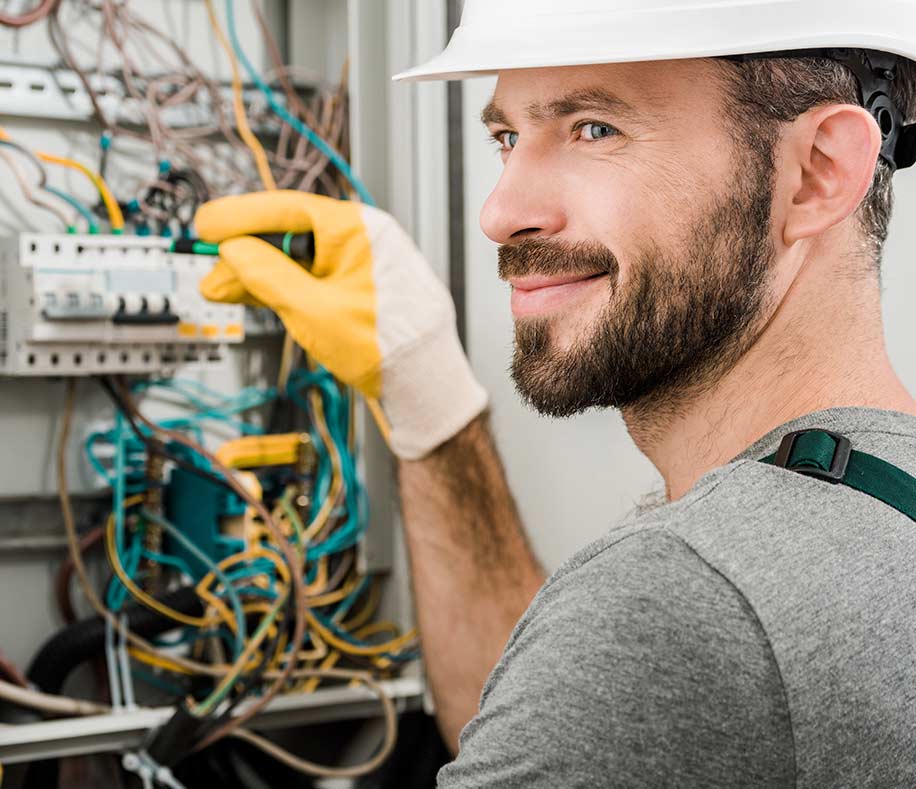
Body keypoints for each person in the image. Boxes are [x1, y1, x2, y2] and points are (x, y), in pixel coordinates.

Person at [195, 1, 916, 784]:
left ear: (818, 172)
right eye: (507, 137)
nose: (500, 213)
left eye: (594, 128)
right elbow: (543, 718)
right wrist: (427, 389)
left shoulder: (680, 602)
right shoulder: (875, 504)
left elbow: (626, 677)